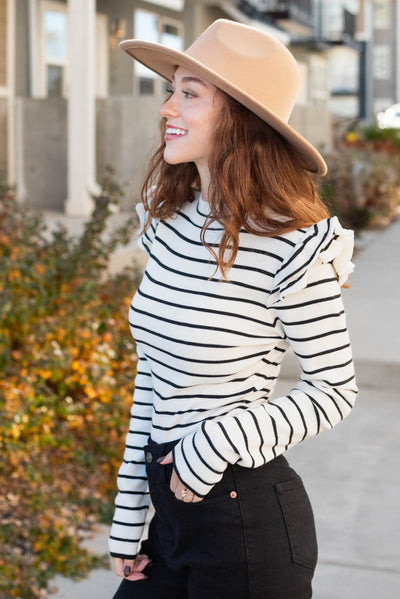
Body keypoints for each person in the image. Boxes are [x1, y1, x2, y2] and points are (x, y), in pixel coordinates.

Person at [109, 19, 358, 599]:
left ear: (241, 119)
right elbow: (154, 377)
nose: (168, 108)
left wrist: (209, 446)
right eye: (172, 90)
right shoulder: (165, 223)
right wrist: (129, 516)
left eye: (189, 94)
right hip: (171, 519)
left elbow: (334, 390)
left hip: (247, 522)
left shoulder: (293, 243)